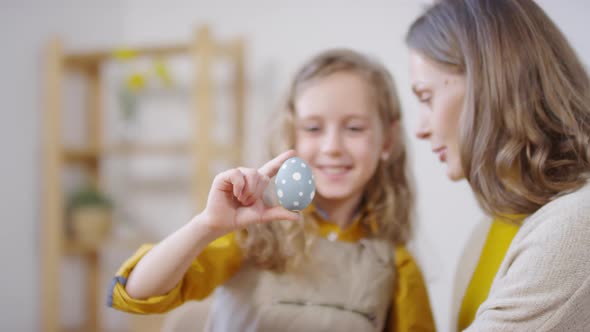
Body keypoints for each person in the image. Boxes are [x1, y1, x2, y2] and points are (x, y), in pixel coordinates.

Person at [108, 49, 436, 331]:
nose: (332, 146)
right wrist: (207, 225)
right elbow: (136, 293)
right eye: (313, 127)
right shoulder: (251, 231)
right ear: (292, 134)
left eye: (354, 128)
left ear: (388, 140)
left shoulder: (397, 267)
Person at [406, 0, 590, 330]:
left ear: (485, 83)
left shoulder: (579, 224)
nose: (420, 128)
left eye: (426, 97)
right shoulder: (488, 230)